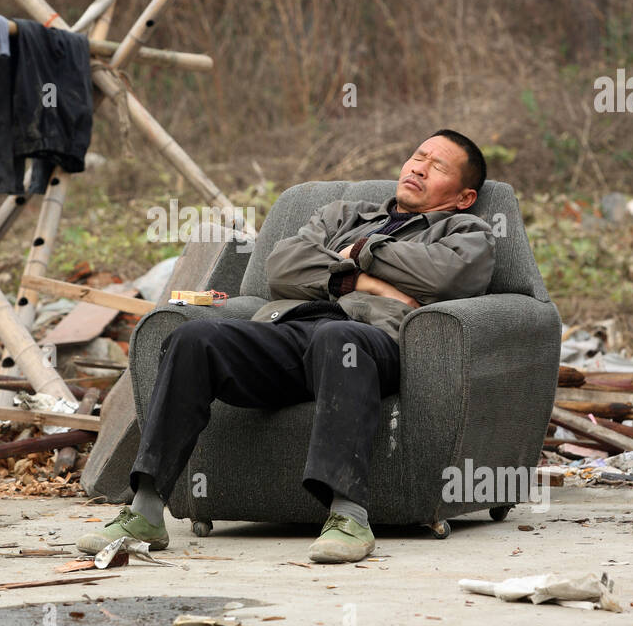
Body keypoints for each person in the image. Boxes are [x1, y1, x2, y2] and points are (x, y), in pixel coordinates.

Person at [78, 129, 496, 563]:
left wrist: (354, 252)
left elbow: (446, 276)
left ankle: (348, 515)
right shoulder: (345, 214)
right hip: (291, 329)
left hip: (370, 341)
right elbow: (281, 267)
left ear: (464, 196)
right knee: (193, 338)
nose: (418, 167)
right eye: (418, 155)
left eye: (438, 166)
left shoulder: (468, 231)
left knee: (340, 338)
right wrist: (362, 279)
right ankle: (145, 508)